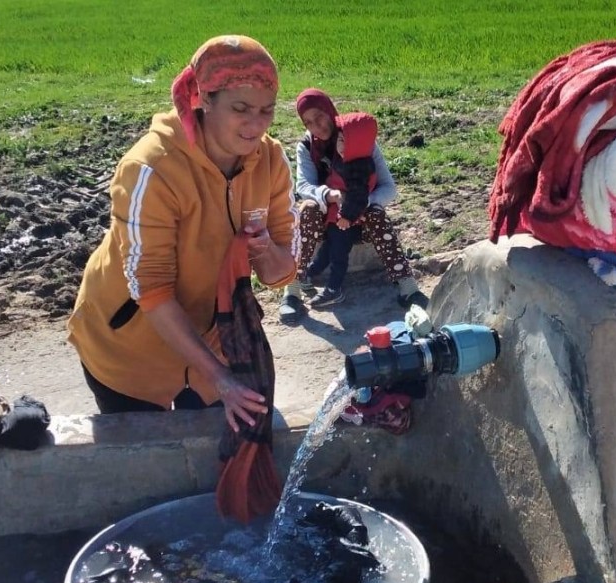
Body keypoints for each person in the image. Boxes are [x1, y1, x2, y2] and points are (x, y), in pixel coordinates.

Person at [67, 35, 297, 437]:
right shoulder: (151, 168)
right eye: (240, 109)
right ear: (204, 100)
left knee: (214, 455)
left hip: (211, 340)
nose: (256, 124)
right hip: (128, 346)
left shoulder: (270, 160)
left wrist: (264, 251)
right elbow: (152, 289)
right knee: (146, 458)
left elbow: (282, 274)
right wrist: (222, 378)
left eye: (266, 110)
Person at [278, 88, 428, 323]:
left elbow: (388, 187)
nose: (316, 126)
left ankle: (408, 287)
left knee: (376, 213)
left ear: (330, 111)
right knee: (306, 209)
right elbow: (304, 186)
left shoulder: (357, 138)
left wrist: (362, 203)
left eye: (319, 116)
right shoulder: (307, 147)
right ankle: (292, 290)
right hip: (326, 216)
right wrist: (328, 195)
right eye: (308, 122)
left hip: (360, 216)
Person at [301, 111, 380, 307]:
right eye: (340, 139)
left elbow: (358, 195)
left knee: (338, 255)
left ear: (359, 144)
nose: (340, 145)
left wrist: (346, 216)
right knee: (328, 250)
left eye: (346, 141)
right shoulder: (346, 160)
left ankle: (333, 289)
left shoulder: (358, 168)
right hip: (336, 219)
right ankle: (309, 272)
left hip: (346, 221)